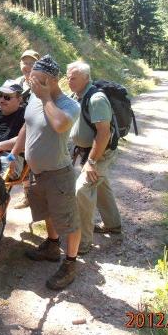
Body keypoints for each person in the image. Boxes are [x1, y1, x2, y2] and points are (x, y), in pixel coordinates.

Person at [9, 55, 81, 290]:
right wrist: (14, 155)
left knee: (68, 221)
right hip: (36, 172)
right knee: (46, 213)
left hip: (58, 173)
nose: (32, 84)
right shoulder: (35, 99)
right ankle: (51, 246)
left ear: (52, 80)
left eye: (38, 80)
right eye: (31, 79)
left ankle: (70, 264)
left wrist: (46, 97)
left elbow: (60, 125)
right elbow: (26, 126)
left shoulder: (69, 105)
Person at [67, 61, 122, 256]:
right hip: (87, 151)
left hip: (100, 153)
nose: (69, 80)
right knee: (100, 183)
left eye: (73, 78)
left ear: (86, 78)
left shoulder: (96, 99)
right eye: (68, 77)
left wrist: (91, 162)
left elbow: (103, 134)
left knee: (82, 190)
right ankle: (113, 225)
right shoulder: (77, 95)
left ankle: (83, 241)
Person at [11, 49, 40, 209]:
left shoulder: (41, 83)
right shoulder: (18, 82)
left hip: (36, 129)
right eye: (24, 62)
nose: (27, 66)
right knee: (23, 164)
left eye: (31, 63)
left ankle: (39, 202)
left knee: (34, 165)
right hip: (19, 127)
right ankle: (28, 196)